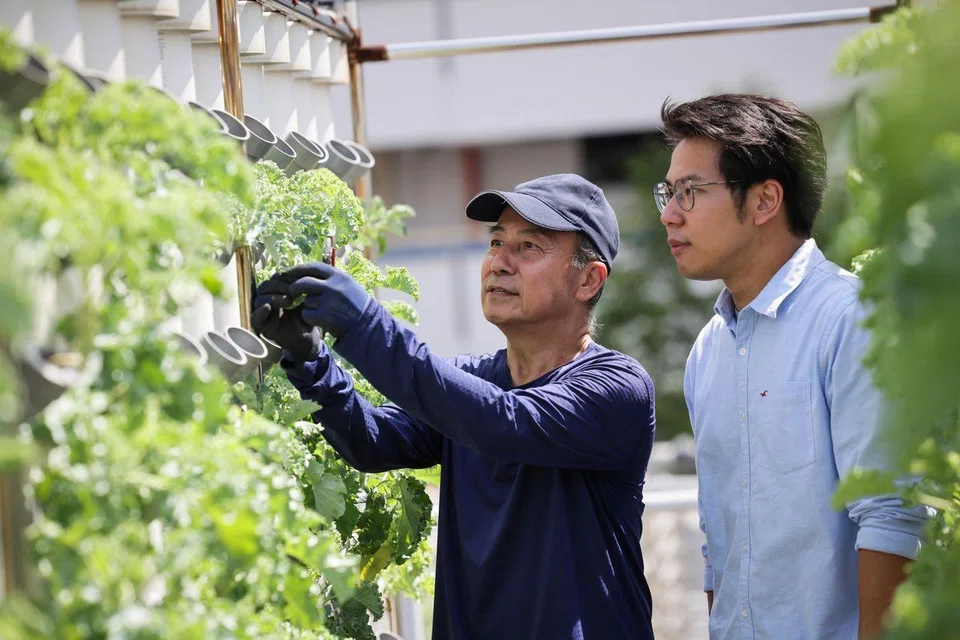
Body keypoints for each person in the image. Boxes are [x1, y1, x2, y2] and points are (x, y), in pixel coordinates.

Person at [251, 173, 656, 639]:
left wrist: (365, 324)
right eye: (496, 242)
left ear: (588, 279)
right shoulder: (471, 383)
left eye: (528, 247)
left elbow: (503, 422)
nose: (499, 263)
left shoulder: (617, 388)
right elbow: (371, 441)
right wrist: (310, 360)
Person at [655, 93, 933, 639]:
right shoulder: (708, 350)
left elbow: (892, 518)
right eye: (668, 193)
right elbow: (718, 546)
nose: (669, 213)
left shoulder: (849, 319)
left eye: (690, 191)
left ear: (765, 200)